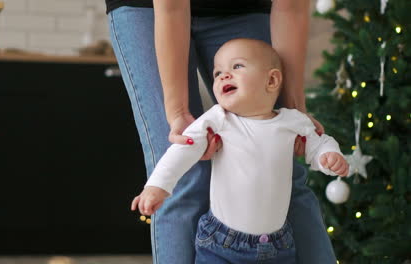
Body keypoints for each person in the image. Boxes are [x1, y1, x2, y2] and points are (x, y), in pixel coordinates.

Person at [106, 0, 338, 263]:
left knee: (282, 160)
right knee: (183, 175)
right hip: (148, 8)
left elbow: (291, 6)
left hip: (239, 9)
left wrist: (294, 110)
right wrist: (178, 112)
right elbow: (171, 7)